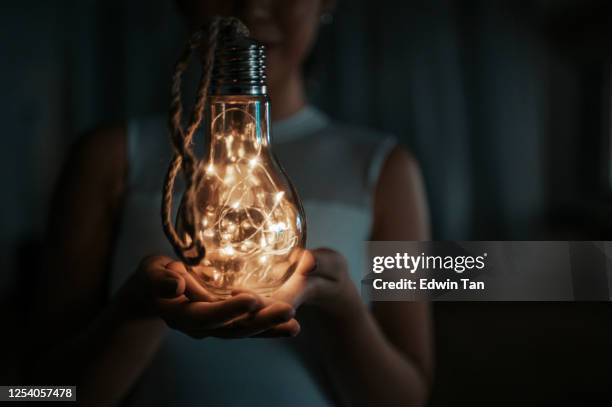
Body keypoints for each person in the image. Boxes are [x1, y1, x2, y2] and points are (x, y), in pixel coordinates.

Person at [34, 0, 433, 405]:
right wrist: (138, 312)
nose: (254, 6)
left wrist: (344, 308)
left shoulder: (386, 170)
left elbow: (409, 398)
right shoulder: (109, 157)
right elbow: (38, 392)